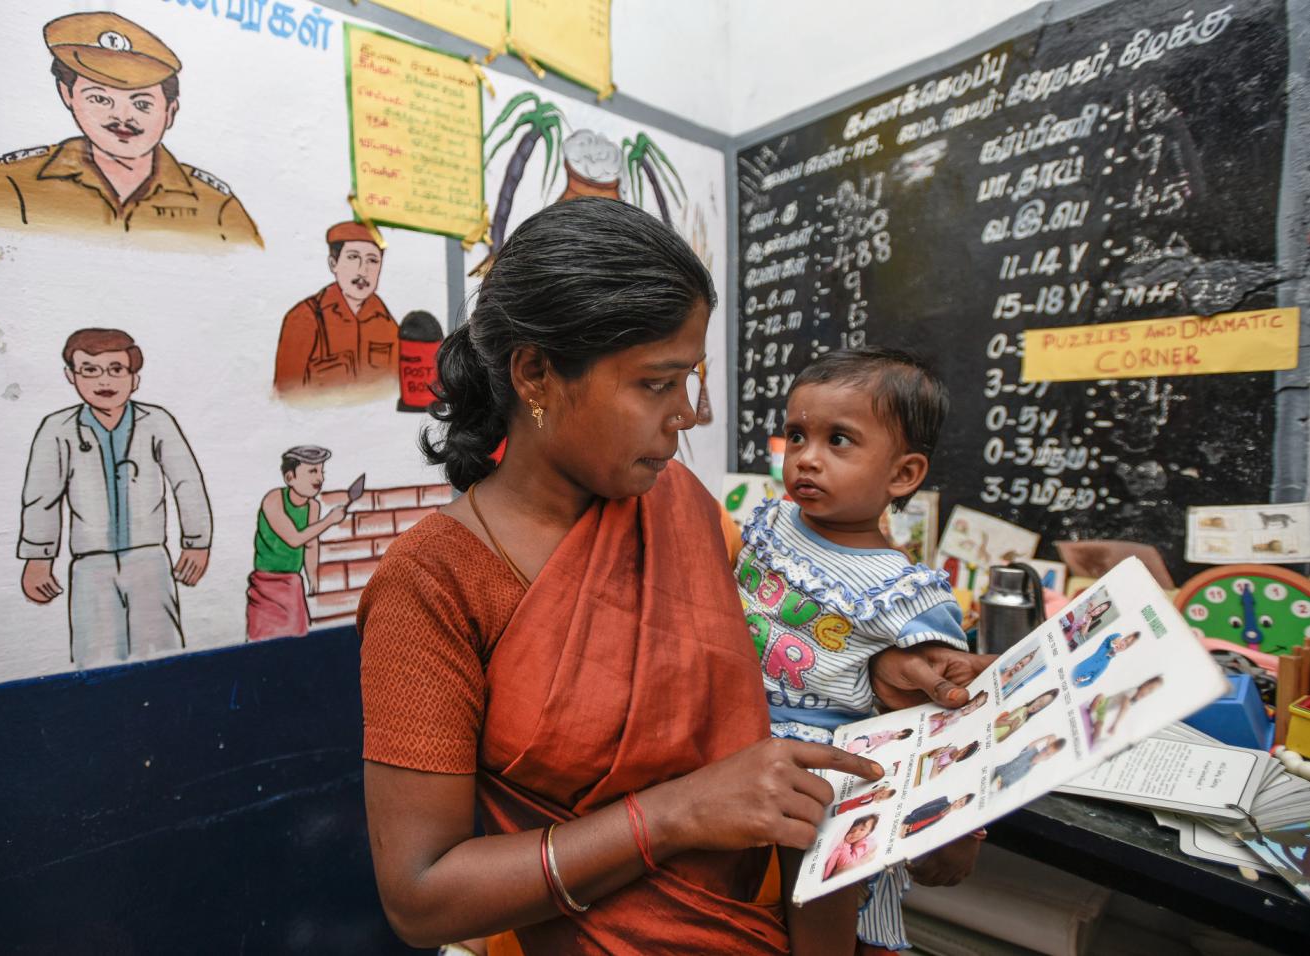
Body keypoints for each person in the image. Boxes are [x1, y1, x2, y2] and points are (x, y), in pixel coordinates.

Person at [355, 198, 992, 955]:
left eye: (689, 380)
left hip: (780, 918)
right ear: (535, 373)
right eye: (658, 384)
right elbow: (422, 898)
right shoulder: (434, 583)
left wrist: (875, 673)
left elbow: (752, 665)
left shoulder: (680, 508)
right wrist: (672, 815)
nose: (687, 415)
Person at [735, 347, 976, 952]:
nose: (807, 458)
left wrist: (962, 832)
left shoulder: (904, 593)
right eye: (797, 436)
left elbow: (954, 718)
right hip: (742, 741)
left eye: (838, 440)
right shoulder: (772, 527)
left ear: (902, 475)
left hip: (834, 771)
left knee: (818, 901)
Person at [0, 13, 260, 246]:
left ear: (170, 111)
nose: (123, 117)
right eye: (100, 99)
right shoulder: (13, 183)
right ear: (68, 95)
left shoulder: (216, 205)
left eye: (142, 104)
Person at [18, 328, 211, 668]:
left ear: (134, 379)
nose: (103, 380)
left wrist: (197, 542)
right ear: (70, 376)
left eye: (116, 369)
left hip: (150, 556)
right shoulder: (57, 428)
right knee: (95, 656)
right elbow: (42, 496)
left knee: (162, 650)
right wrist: (38, 557)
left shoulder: (157, 422)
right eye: (89, 370)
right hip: (91, 563)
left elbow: (187, 482)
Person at [245, 446, 362, 642]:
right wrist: (329, 521)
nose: (320, 478)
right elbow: (294, 539)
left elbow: (310, 543)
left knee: (295, 639)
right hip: (265, 585)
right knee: (263, 641)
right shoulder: (274, 500)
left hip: (292, 584)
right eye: (312, 471)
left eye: (321, 471)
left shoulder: (312, 506)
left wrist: (312, 576)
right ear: (290, 477)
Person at [273, 222, 399, 398]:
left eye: (373, 260)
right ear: (333, 264)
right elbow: (286, 395)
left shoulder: (388, 324)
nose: (363, 271)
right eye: (353, 257)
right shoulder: (303, 318)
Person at [1086, 676, 1164, 745]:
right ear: (1145, 684)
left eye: (1151, 692)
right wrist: (1115, 724)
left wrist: (1113, 725)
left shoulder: (1133, 700)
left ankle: (1093, 718)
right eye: (1149, 689)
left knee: (1097, 732)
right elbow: (1124, 708)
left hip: (1102, 713)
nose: (1148, 693)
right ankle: (1092, 710)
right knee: (1101, 696)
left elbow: (1125, 710)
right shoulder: (1133, 691)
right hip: (1103, 703)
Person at [991, 735, 1066, 790]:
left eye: (1048, 754)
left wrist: (1048, 751)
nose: (1045, 753)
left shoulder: (1031, 766)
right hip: (998, 774)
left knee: (996, 786)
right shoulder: (1031, 750)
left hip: (1001, 784)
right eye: (1046, 750)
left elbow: (1046, 754)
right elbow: (1052, 737)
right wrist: (1049, 744)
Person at [1072, 631, 1141, 687]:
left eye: (1127, 645)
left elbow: (1091, 681)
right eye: (1125, 640)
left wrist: (1079, 683)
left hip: (1073, 680)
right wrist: (1118, 636)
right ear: (1121, 639)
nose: (1123, 644)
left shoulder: (1105, 665)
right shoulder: (1105, 646)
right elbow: (1109, 638)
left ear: (1124, 649)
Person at [823, 815, 880, 881]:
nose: (856, 832)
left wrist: (846, 845)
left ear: (868, 832)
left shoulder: (866, 843)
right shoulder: (842, 836)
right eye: (854, 826)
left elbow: (846, 864)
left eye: (862, 829)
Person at [993, 689, 1060, 743]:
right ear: (1037, 698)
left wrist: (1012, 728)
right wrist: (1011, 723)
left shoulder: (1024, 720)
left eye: (1041, 706)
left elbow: (1000, 740)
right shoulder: (1021, 709)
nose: (1037, 706)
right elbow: (995, 724)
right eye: (1040, 701)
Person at [899, 795, 975, 838]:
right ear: (958, 799)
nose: (958, 804)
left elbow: (924, 827)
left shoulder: (947, 817)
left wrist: (907, 835)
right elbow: (921, 811)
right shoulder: (943, 803)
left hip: (909, 831)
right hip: (905, 824)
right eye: (961, 801)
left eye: (961, 805)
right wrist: (905, 824)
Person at [843, 728, 914, 755]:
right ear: (901, 731)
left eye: (898, 739)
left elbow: (879, 745)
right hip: (865, 739)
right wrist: (879, 736)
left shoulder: (889, 740)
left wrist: (871, 750)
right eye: (898, 736)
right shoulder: (889, 732)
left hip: (867, 745)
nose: (895, 738)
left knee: (853, 754)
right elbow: (880, 733)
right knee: (852, 749)